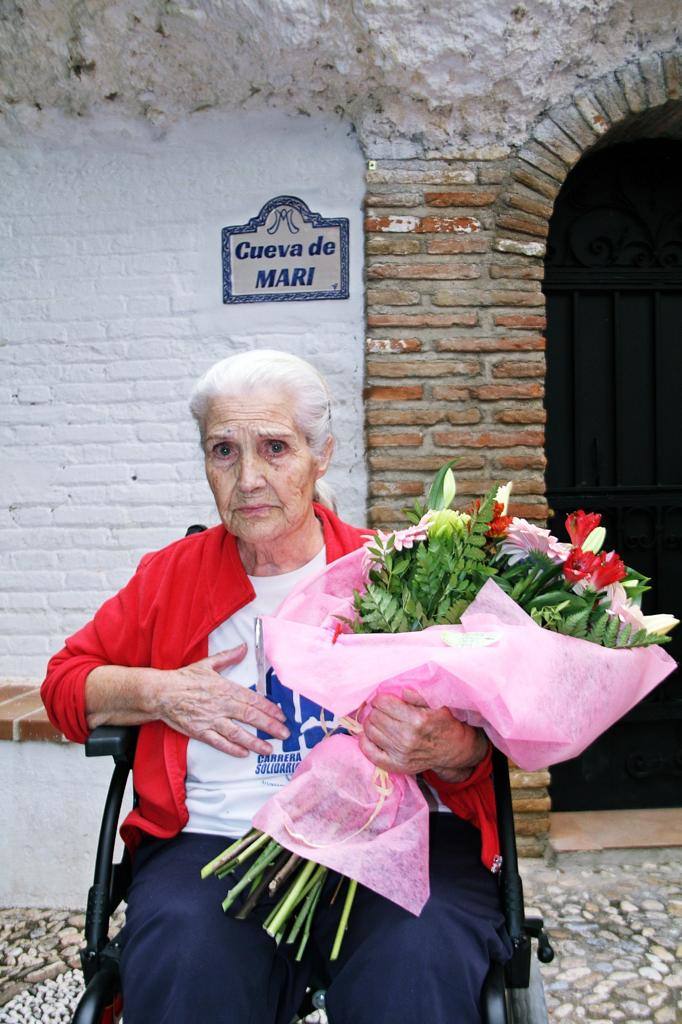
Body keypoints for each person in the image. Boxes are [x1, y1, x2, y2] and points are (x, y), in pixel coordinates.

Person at [42, 349, 511, 1024]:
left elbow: (482, 749)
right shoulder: (172, 577)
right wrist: (161, 692)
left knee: (419, 959)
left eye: (275, 448)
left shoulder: (399, 572)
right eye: (224, 451)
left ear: (321, 456)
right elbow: (65, 686)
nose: (249, 479)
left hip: (395, 836)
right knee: (185, 956)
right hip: (218, 843)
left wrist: (450, 747)